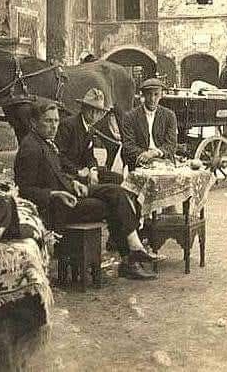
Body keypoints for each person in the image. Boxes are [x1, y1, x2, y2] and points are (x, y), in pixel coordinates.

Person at [14, 100, 159, 280]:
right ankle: (130, 258)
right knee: (110, 206)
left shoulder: (45, 142)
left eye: (56, 121)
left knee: (117, 191)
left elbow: (56, 172)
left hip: (69, 191)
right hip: (57, 206)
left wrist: (73, 183)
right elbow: (25, 190)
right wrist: (55, 193)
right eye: (48, 121)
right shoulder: (30, 148)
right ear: (34, 123)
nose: (54, 126)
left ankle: (134, 248)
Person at [55, 88, 123, 186]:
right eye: (91, 110)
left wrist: (93, 170)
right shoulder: (68, 125)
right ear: (83, 108)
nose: (94, 115)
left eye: (98, 112)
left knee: (119, 179)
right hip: (69, 175)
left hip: (85, 172)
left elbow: (89, 156)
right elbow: (59, 155)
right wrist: (78, 171)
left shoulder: (90, 129)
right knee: (109, 190)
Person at [121, 78, 178, 170]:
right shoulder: (130, 117)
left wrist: (155, 153)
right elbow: (128, 145)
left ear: (161, 95)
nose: (152, 99)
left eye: (156, 94)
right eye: (149, 94)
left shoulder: (169, 116)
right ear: (143, 95)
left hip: (163, 161)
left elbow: (171, 145)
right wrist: (145, 155)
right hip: (140, 161)